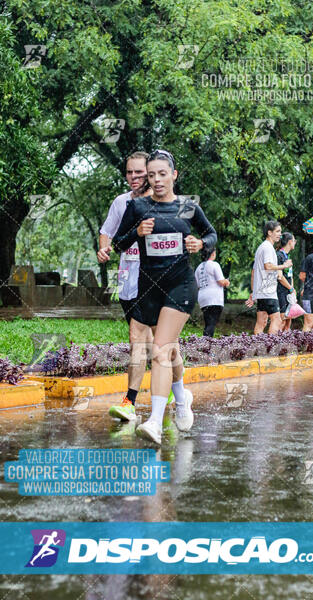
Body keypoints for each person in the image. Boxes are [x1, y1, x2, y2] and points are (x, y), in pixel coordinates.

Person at [113, 149, 217, 444]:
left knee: (159, 350)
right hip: (149, 287)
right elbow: (120, 242)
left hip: (181, 285)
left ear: (174, 175)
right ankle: (182, 398)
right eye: (151, 175)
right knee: (170, 350)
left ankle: (155, 421)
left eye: (162, 174)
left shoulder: (187, 207)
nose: (156, 180)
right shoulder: (138, 207)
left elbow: (211, 235)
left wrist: (200, 243)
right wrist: (137, 232)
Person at [97, 151, 174, 421]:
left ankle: (131, 401)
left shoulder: (162, 203)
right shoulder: (122, 202)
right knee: (151, 341)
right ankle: (172, 387)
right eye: (129, 172)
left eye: (139, 173)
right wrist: (104, 249)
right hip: (128, 279)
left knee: (142, 339)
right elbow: (107, 232)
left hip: (155, 280)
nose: (133, 177)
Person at [245, 221, 293, 334]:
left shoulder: (262, 247)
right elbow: (268, 266)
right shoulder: (267, 247)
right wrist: (284, 266)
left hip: (262, 291)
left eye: (280, 232)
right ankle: (270, 349)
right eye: (277, 231)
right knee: (276, 320)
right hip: (268, 291)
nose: (280, 234)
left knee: (261, 322)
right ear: (269, 232)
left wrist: (254, 292)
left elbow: (254, 272)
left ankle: (258, 348)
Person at [194, 247, 229, 337]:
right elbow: (221, 282)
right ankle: (207, 346)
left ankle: (205, 344)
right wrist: (226, 281)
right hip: (214, 298)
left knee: (208, 323)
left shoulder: (199, 267)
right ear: (212, 254)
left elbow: (197, 285)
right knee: (211, 323)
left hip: (203, 298)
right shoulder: (214, 265)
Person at [276, 232, 297, 331]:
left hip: (288, 291)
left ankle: (286, 344)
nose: (295, 243)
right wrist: (291, 288)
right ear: (289, 242)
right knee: (282, 320)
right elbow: (280, 277)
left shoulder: (287, 256)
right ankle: (274, 343)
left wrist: (292, 290)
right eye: (294, 241)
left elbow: (290, 275)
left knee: (289, 319)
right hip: (281, 291)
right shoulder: (279, 255)